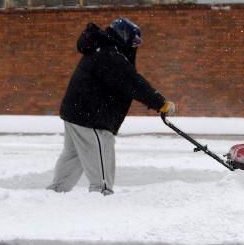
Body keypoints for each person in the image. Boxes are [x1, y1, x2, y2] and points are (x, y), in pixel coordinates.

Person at [48, 17, 175, 195]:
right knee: (102, 149)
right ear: (123, 37)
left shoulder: (102, 50)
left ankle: (55, 193)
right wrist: (160, 103)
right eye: (133, 41)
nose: (135, 46)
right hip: (89, 118)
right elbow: (134, 83)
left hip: (76, 114)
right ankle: (102, 194)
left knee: (73, 155)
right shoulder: (109, 56)